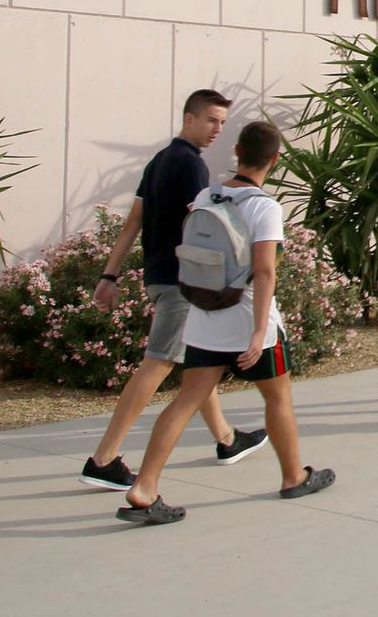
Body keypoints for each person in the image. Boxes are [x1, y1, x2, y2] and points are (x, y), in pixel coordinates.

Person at [117, 120, 335, 525]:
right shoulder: (264, 206)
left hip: (204, 314)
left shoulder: (205, 196)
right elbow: (265, 270)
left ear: (237, 151)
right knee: (277, 397)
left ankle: (144, 487)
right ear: (275, 159)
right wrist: (257, 331)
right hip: (247, 317)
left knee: (186, 400)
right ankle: (293, 476)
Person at [78, 89, 268, 491]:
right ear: (190, 119)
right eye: (211, 120)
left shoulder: (160, 161)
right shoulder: (192, 168)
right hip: (183, 283)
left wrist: (109, 276)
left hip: (159, 278)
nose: (217, 129)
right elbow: (203, 234)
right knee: (158, 364)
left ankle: (227, 440)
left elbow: (132, 223)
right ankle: (103, 458)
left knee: (197, 364)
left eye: (222, 122)